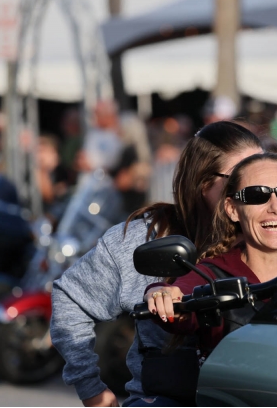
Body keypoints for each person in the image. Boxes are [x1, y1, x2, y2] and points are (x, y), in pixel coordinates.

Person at [50, 121, 263, 407]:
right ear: (203, 183)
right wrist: (91, 389)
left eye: (264, 178)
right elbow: (70, 299)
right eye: (240, 180)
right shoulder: (148, 236)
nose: (258, 192)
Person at [144, 153, 277, 354]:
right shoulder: (211, 276)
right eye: (257, 196)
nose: (276, 207)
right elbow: (180, 297)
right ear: (232, 209)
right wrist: (162, 294)